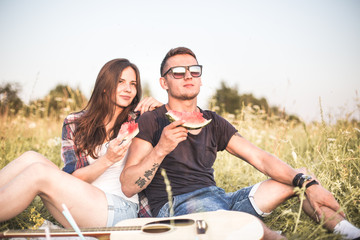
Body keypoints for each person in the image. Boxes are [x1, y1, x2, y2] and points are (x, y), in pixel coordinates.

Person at [120, 47, 360, 239]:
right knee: (235, 223)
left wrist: (309, 183)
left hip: (221, 199)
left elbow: (260, 158)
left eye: (194, 70)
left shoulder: (212, 121)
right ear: (164, 83)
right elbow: (129, 185)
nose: (188, 76)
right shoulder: (152, 120)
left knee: (299, 177)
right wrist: (161, 149)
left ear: (201, 78)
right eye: (178, 72)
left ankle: (349, 233)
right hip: (180, 207)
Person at [0, 58, 162, 228]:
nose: (128, 89)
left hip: (121, 210)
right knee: (30, 158)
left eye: (133, 84)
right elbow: (73, 177)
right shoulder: (75, 123)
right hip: (82, 203)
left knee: (38, 172)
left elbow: (182, 136)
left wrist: (163, 111)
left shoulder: (141, 120)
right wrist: (107, 159)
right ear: (105, 86)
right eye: (120, 81)